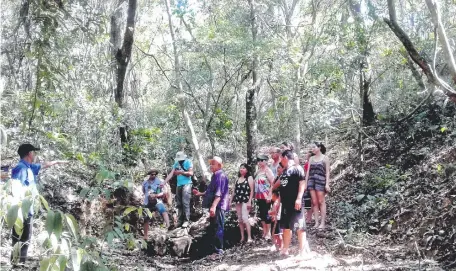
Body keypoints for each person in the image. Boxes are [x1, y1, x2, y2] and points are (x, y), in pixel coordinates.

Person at [11, 143, 68, 263]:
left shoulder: (29, 167)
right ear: (29, 154)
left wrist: (56, 162)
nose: (35, 155)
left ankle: (21, 263)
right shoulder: (21, 168)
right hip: (22, 210)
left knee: (26, 238)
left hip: (29, 209)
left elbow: (43, 166)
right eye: (34, 152)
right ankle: (16, 264)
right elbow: (16, 189)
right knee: (19, 238)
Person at [273, 150, 309, 257]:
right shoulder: (285, 171)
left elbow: (302, 183)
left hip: (295, 203)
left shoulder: (297, 168)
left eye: (281, 158)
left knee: (299, 226)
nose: (280, 161)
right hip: (285, 204)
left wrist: (298, 198)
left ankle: (302, 252)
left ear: (285, 157)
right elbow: (281, 187)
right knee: (286, 227)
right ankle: (285, 249)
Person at [194, 156, 229, 255]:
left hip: (219, 205)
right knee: (214, 226)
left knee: (218, 227)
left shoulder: (221, 176)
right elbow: (210, 190)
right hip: (214, 205)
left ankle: (219, 250)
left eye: (213, 164)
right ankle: (215, 249)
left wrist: (213, 207)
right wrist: (200, 193)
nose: (211, 166)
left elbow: (219, 194)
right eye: (210, 164)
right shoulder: (215, 175)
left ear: (219, 165)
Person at [305, 142, 330, 230]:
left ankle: (322, 223)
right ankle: (316, 222)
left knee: (321, 201)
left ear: (319, 147)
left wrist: (327, 184)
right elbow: (308, 171)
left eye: (314, 147)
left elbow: (327, 172)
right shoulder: (311, 158)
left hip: (321, 181)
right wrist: (306, 183)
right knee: (314, 202)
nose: (312, 149)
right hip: (311, 181)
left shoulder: (325, 158)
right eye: (311, 148)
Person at [165, 151, 193, 228]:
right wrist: (164, 182)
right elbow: (171, 174)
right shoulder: (176, 164)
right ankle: (180, 221)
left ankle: (186, 221)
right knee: (179, 204)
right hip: (179, 185)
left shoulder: (188, 162)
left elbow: (191, 173)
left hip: (187, 184)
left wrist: (181, 172)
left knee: (185, 202)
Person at [142, 169, 171, 239]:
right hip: (148, 202)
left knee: (163, 211)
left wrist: (156, 195)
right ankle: (145, 235)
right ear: (149, 174)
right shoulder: (145, 183)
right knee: (146, 218)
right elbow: (143, 191)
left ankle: (169, 227)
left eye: (155, 174)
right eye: (152, 174)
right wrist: (148, 195)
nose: (153, 176)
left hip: (157, 201)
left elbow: (164, 192)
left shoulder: (160, 181)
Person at [230, 163, 254, 243]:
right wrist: (230, 201)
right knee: (240, 219)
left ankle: (249, 237)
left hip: (245, 200)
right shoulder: (237, 179)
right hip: (238, 200)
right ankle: (242, 237)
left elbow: (252, 191)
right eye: (240, 168)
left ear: (247, 170)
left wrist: (250, 201)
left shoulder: (249, 178)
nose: (241, 169)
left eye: (243, 168)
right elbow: (234, 191)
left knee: (245, 218)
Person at [254, 154, 274, 240]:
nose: (260, 162)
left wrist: (270, 195)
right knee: (261, 213)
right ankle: (264, 231)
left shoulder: (268, 170)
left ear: (266, 161)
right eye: (259, 161)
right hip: (258, 196)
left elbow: (273, 183)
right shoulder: (258, 171)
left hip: (266, 195)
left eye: (262, 160)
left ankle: (269, 232)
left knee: (266, 213)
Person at [269, 162, 284, 251]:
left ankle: (282, 244)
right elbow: (272, 188)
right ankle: (276, 243)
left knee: (278, 222)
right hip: (273, 201)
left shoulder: (283, 179)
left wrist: (278, 202)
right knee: (273, 221)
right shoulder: (276, 178)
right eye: (277, 168)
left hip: (280, 203)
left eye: (280, 168)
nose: (278, 169)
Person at [302, 152, 313, 224]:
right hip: (308, 183)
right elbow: (305, 174)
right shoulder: (306, 165)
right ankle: (308, 217)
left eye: (308, 156)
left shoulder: (312, 164)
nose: (306, 157)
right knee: (308, 202)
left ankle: (309, 218)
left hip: (311, 183)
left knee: (310, 202)